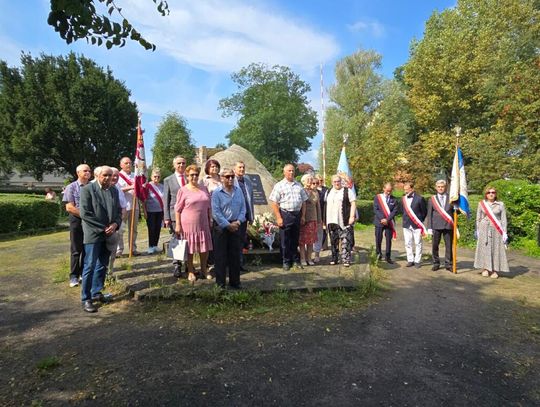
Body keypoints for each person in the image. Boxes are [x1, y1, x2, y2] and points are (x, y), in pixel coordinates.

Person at [79, 166, 122, 313]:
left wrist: (115, 224)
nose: (108, 178)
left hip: (109, 234)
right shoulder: (87, 190)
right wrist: (104, 227)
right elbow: (85, 214)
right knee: (89, 266)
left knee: (102, 265)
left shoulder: (114, 190)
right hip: (94, 234)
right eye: (105, 175)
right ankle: (86, 299)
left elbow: (118, 211)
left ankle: (96, 292)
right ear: (98, 175)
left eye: (110, 175)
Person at [174, 165, 213, 283]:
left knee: (204, 248)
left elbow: (209, 205)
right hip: (188, 224)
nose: (194, 177)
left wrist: (210, 218)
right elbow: (177, 209)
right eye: (191, 175)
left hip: (203, 223)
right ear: (187, 176)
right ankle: (190, 270)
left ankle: (203, 269)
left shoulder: (204, 188)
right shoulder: (183, 190)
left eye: (196, 174)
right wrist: (178, 225)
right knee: (190, 248)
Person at [211, 168, 246, 289]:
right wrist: (227, 225)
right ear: (221, 178)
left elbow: (243, 208)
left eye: (232, 176)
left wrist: (238, 222)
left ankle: (235, 282)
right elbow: (216, 212)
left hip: (236, 225)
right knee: (220, 256)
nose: (230, 179)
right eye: (227, 177)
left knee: (235, 256)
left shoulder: (239, 191)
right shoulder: (216, 193)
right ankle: (220, 284)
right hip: (221, 227)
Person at [269, 164, 308, 270]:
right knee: (285, 240)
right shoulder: (279, 185)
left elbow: (304, 201)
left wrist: (303, 216)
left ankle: (296, 260)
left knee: (295, 240)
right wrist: (278, 217)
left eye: (293, 171)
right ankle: (286, 262)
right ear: (284, 172)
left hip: (297, 215)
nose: (291, 172)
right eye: (289, 171)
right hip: (285, 214)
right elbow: (274, 202)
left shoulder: (298, 185)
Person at [62, 164, 92, 287]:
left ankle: (83, 274)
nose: (88, 173)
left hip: (90, 222)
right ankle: (74, 276)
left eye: (89, 171)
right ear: (78, 173)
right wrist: (85, 216)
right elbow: (69, 207)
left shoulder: (92, 187)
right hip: (77, 220)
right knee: (76, 249)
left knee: (87, 249)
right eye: (85, 171)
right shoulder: (72, 187)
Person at [474, 186, 510, 279]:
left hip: (496, 229)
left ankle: (494, 270)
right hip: (484, 228)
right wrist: (478, 230)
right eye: (489, 192)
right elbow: (478, 218)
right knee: (484, 248)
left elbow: (503, 219)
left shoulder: (500, 204)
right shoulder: (481, 204)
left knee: (496, 248)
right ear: (486, 194)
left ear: (495, 194)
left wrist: (504, 232)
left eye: (493, 192)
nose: (491, 194)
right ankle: (485, 269)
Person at [163, 156, 187, 277]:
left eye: (183, 163)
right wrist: (166, 217)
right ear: (174, 165)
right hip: (173, 215)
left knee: (188, 239)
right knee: (176, 240)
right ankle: (177, 265)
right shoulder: (168, 180)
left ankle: (188, 264)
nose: (181, 165)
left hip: (188, 215)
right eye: (179, 163)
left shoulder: (190, 178)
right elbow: (165, 200)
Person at [325, 174, 356, 267]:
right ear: (332, 182)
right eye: (334, 182)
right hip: (331, 221)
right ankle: (334, 258)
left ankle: (346, 259)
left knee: (345, 241)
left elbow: (353, 203)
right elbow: (325, 206)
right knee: (333, 241)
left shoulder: (347, 191)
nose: (336, 183)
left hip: (344, 220)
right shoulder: (329, 191)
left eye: (338, 181)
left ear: (341, 182)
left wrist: (352, 216)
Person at [426, 180, 454, 271]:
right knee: (435, 245)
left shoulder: (452, 198)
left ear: (445, 187)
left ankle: (448, 264)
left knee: (449, 245)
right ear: (436, 187)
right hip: (436, 225)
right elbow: (429, 214)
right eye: (439, 186)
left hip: (448, 225)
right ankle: (436, 263)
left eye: (442, 186)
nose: (440, 188)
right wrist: (429, 227)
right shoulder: (432, 199)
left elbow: (455, 212)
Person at [233, 161, 254, 271]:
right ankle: (233, 264)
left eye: (243, 167)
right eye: (239, 167)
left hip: (244, 216)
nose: (241, 169)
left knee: (241, 240)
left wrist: (251, 216)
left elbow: (251, 199)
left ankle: (239, 264)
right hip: (234, 217)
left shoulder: (248, 181)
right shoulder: (231, 181)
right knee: (234, 241)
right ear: (234, 169)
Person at [116, 157, 139, 256]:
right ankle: (119, 250)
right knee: (121, 229)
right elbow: (117, 190)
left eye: (130, 163)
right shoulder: (117, 176)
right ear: (121, 165)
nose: (129, 165)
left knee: (133, 229)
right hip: (123, 206)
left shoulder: (136, 175)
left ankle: (133, 249)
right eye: (126, 163)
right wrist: (130, 187)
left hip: (135, 205)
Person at [401, 182, 427, 268]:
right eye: (404, 189)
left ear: (412, 189)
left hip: (417, 224)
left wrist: (419, 221)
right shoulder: (403, 199)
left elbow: (424, 212)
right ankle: (410, 260)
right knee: (407, 243)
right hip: (406, 224)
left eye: (407, 189)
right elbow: (403, 211)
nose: (405, 191)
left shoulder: (420, 199)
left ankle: (417, 261)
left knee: (418, 242)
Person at [107, 168, 128, 274]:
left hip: (117, 223)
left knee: (113, 248)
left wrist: (120, 221)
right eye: (112, 175)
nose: (114, 178)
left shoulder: (117, 188)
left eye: (116, 176)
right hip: (105, 225)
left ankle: (110, 271)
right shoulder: (97, 187)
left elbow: (123, 206)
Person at [299, 174, 322, 266]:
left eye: (310, 179)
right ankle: (302, 258)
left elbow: (318, 207)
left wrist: (319, 219)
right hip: (303, 219)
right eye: (307, 179)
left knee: (310, 241)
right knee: (302, 240)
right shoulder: (300, 191)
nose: (309, 180)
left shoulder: (315, 192)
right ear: (303, 181)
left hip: (313, 218)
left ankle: (309, 258)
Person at [373, 182, 398, 264]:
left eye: (390, 191)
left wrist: (387, 219)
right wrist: (382, 218)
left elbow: (394, 211)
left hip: (389, 223)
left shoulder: (394, 199)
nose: (388, 192)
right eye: (387, 190)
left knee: (388, 240)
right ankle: (378, 255)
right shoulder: (378, 197)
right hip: (379, 222)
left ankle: (388, 257)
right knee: (378, 239)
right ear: (384, 189)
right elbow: (375, 209)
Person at [144, 168, 164, 254]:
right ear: (151, 176)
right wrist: (144, 211)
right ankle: (150, 246)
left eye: (158, 177)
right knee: (151, 229)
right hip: (150, 211)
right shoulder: (147, 186)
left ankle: (155, 245)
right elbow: (143, 200)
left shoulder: (162, 186)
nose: (156, 178)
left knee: (157, 228)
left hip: (160, 211)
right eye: (155, 176)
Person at [313, 173, 328, 263]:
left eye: (321, 181)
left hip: (323, 213)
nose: (319, 183)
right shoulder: (311, 191)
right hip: (312, 215)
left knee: (322, 233)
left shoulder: (326, 190)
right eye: (317, 181)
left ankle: (318, 251)